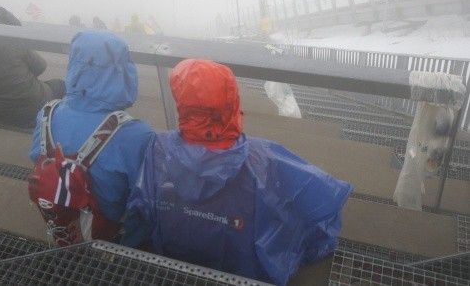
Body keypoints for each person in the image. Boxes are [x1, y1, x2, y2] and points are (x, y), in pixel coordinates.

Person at [128, 59, 353, 285]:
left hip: (176, 265)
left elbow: (140, 211)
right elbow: (322, 207)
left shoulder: (158, 149)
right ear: (233, 102)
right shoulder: (266, 158)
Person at [29, 30, 156, 247]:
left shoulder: (47, 113)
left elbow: (36, 157)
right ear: (123, 72)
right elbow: (145, 202)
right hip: (110, 233)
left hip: (62, 217)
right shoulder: (137, 135)